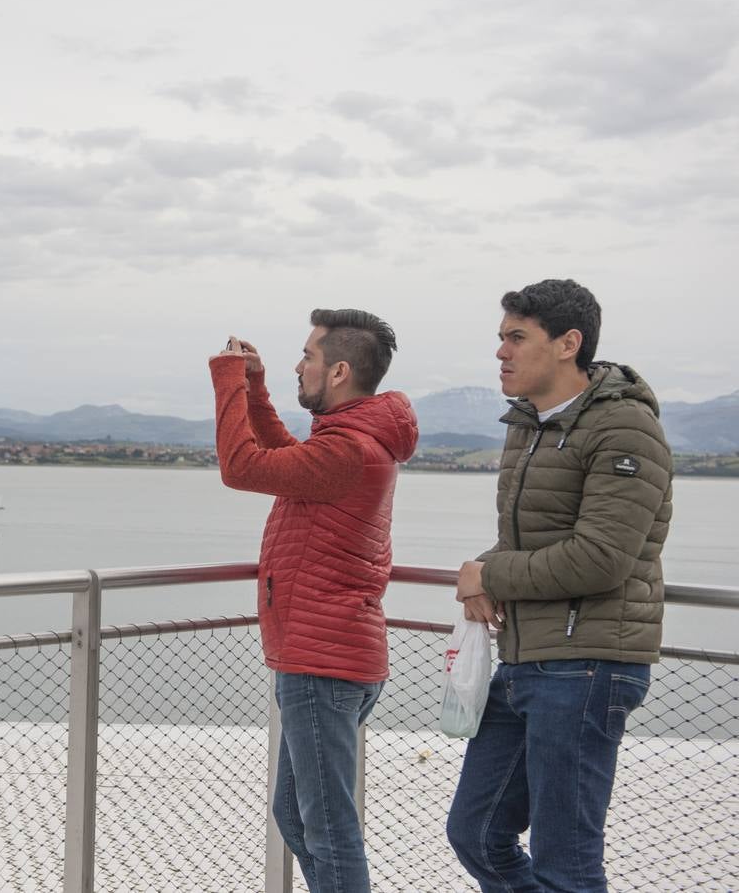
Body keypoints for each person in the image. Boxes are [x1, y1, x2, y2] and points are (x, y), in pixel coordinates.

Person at [447, 279, 673, 893]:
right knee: (477, 830)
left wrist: (490, 575)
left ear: (569, 343)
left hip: (588, 665)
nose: (501, 351)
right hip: (526, 658)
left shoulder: (625, 427)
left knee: (565, 862)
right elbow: (532, 540)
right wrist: (485, 569)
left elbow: (601, 558)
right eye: (501, 338)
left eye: (517, 338)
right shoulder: (529, 425)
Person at [209, 309, 418, 892]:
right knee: (299, 817)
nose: (299, 365)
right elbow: (281, 460)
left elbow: (242, 467)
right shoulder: (348, 444)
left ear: (340, 371)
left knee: (327, 829)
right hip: (328, 657)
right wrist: (255, 387)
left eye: (308, 357)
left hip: (322, 665)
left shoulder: (348, 451)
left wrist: (227, 375)